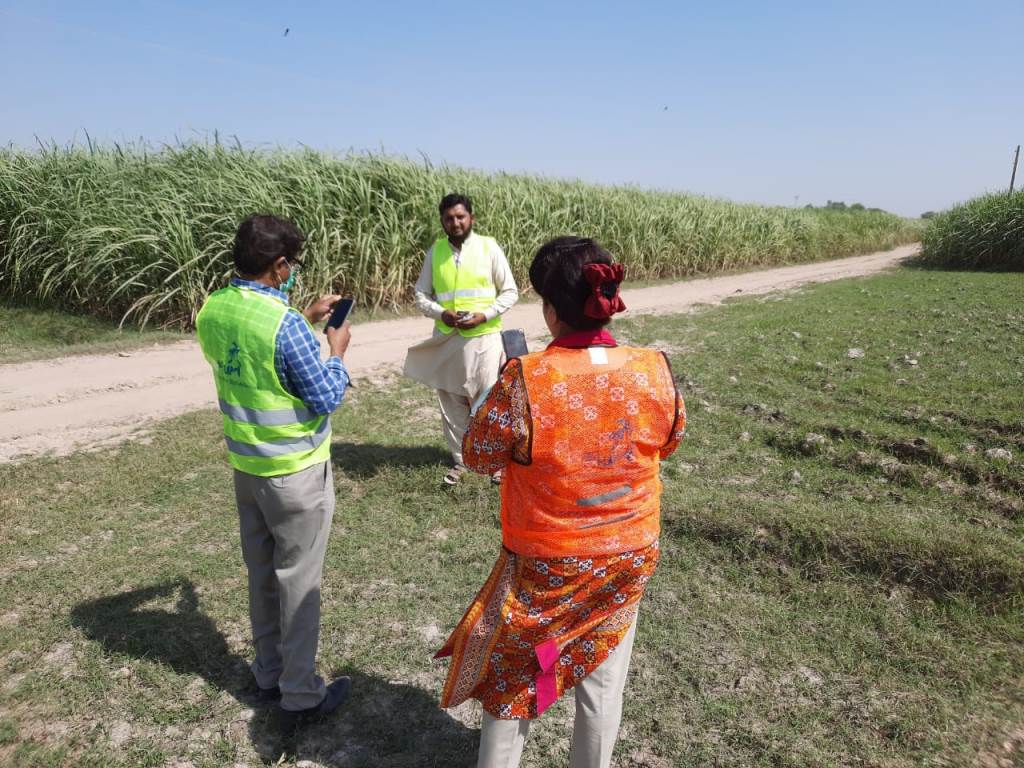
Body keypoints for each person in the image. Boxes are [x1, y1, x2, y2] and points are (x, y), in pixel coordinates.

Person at [435, 237, 685, 768]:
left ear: (550, 310)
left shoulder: (526, 378)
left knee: (513, 675)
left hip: (546, 562)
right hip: (628, 553)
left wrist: (504, 386)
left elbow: (478, 455)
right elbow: (669, 440)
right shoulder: (654, 368)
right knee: (604, 681)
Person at [195, 214, 352, 728]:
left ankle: (268, 672)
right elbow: (325, 395)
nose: (293, 272)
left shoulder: (214, 309)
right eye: (292, 265)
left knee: (262, 574)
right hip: (296, 472)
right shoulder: (285, 326)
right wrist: (335, 351)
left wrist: (304, 316)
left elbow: (253, 353)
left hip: (247, 468)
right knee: (299, 583)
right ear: (280, 265)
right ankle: (301, 694)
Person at [403, 193, 519, 485]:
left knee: (488, 399)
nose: (455, 223)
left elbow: (510, 291)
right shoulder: (436, 252)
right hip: (447, 338)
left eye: (460, 217)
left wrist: (485, 315)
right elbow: (421, 294)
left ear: (471, 218)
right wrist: (441, 313)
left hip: (484, 336)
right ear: (442, 221)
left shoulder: (489, 247)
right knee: (451, 400)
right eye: (449, 218)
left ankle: (495, 462)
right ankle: (462, 460)